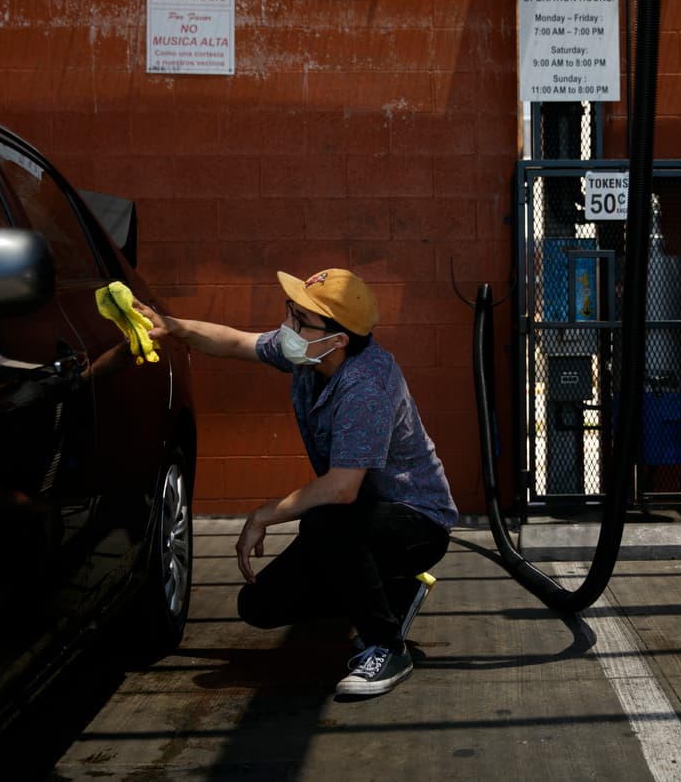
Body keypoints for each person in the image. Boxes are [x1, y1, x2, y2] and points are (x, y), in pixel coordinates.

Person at [136, 268, 457, 696]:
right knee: (259, 606)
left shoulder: (366, 385)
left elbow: (342, 487)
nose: (288, 326)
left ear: (338, 339)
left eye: (300, 319)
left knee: (325, 521)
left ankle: (388, 648)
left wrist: (264, 515)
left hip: (416, 522)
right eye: (291, 312)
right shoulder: (310, 352)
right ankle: (395, 590)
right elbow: (235, 342)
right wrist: (172, 326)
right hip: (358, 519)